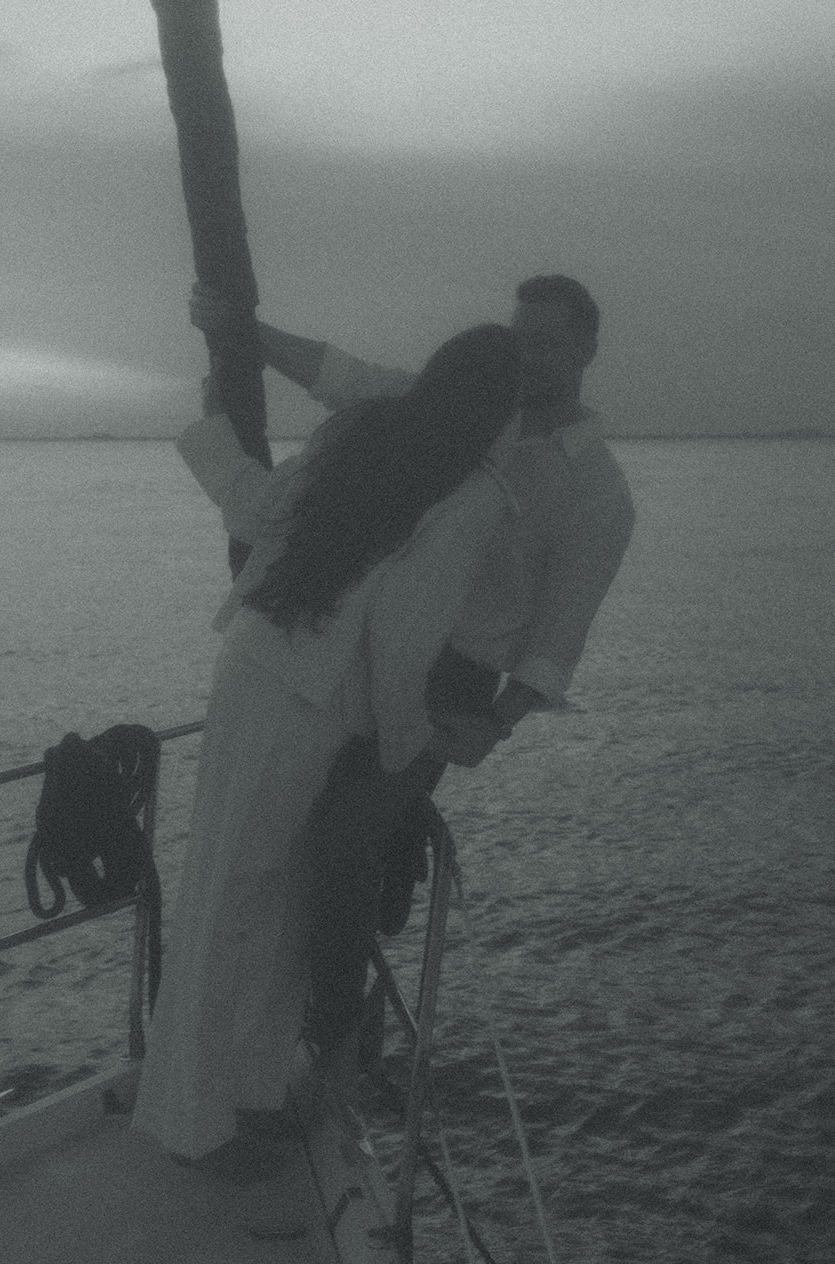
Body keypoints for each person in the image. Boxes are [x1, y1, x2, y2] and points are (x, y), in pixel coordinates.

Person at [190, 274, 636, 1061]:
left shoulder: (596, 492)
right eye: (517, 337)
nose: (526, 358)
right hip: (356, 655)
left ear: (588, 349)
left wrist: (495, 724)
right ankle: (261, 1017)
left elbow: (556, 638)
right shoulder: (459, 412)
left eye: (547, 343)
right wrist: (245, 334)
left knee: (341, 838)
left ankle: (335, 1027)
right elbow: (344, 379)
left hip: (450, 683)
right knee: (282, 838)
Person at [131, 323, 521, 1181]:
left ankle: (244, 1094)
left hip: (260, 664)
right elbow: (405, 630)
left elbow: (257, 510)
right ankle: (191, 1123)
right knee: (240, 894)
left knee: (253, 890)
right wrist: (405, 747)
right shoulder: (476, 491)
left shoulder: (366, 432)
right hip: (313, 699)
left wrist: (213, 436)